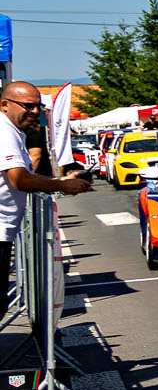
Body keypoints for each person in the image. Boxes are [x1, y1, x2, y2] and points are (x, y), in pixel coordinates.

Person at [1, 82, 91, 308]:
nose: (34, 112)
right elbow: (20, 179)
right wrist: (61, 185)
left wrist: (63, 181)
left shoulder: (13, 131)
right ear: (5, 105)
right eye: (28, 106)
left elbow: (26, 176)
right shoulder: (4, 132)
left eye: (38, 107)